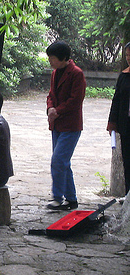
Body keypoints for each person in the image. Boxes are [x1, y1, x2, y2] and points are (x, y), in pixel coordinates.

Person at [46, 41, 86, 210]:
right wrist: (49, 108)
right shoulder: (55, 73)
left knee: (58, 161)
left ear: (63, 58)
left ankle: (58, 197)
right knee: (64, 163)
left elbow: (76, 100)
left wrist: (58, 111)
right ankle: (71, 199)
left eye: (53, 58)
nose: (50, 62)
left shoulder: (76, 74)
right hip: (56, 124)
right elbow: (51, 94)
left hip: (70, 125)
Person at [107, 42, 130, 193]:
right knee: (127, 161)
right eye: (127, 55)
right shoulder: (124, 76)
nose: (129, 58)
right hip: (126, 124)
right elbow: (117, 100)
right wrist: (112, 121)